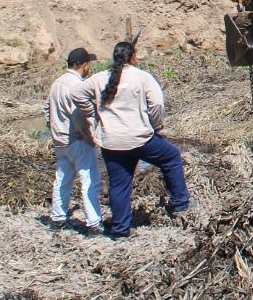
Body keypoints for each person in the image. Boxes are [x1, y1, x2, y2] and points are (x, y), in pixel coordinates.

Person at [94, 40, 189, 238]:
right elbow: (157, 105)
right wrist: (155, 125)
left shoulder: (99, 78)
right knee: (171, 157)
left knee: (119, 184)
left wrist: (94, 115)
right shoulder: (142, 77)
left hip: (111, 142)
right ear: (133, 57)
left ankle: (120, 229)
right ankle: (181, 204)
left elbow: (77, 94)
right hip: (139, 138)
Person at [47, 47, 103, 232]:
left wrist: (54, 130)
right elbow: (78, 115)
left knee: (62, 180)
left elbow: (47, 111)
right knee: (89, 181)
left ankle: (57, 218)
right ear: (84, 65)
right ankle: (94, 223)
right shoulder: (76, 86)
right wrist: (88, 136)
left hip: (59, 141)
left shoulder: (57, 83)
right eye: (89, 64)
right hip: (76, 140)